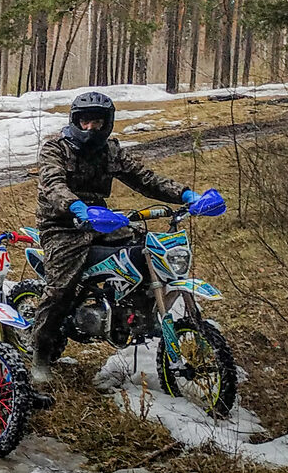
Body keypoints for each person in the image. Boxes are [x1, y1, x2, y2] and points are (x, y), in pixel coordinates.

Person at [28, 91, 199, 383]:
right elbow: (53, 184)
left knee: (146, 251)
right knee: (60, 289)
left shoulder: (111, 150)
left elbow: (144, 178)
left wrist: (186, 194)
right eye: (84, 122)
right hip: (62, 225)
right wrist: (76, 207)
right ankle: (40, 354)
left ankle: (136, 317)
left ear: (107, 123)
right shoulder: (55, 148)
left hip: (102, 221)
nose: (90, 128)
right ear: (74, 120)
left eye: (96, 122)